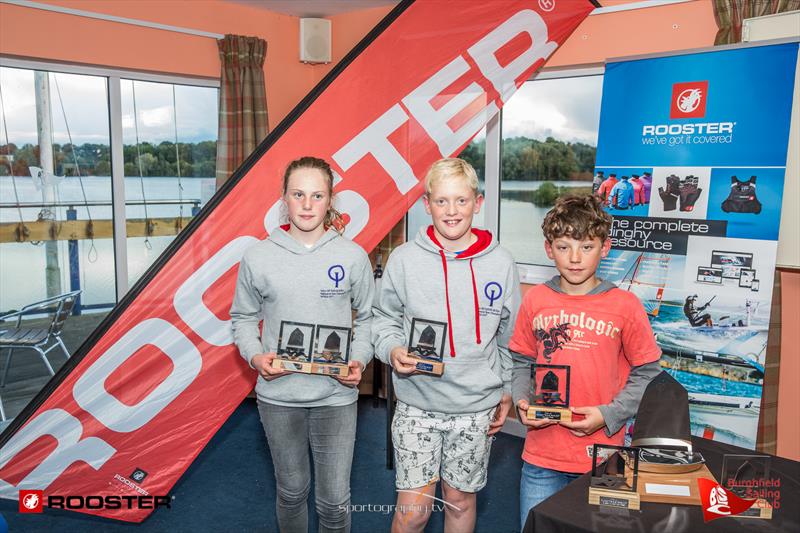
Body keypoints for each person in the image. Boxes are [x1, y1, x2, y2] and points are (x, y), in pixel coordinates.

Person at [372, 158, 520, 533]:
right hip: (417, 403)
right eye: (441, 202)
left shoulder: (501, 262)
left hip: (475, 408)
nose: (451, 211)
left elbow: (508, 337)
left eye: (461, 200)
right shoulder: (404, 259)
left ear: (478, 202)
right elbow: (383, 319)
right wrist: (391, 350)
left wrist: (505, 389)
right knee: (414, 512)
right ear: (427, 205)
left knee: (458, 501)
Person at [230, 156, 375, 533]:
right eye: (298, 194)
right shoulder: (258, 256)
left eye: (317, 195)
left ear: (330, 201)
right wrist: (255, 356)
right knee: (292, 492)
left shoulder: (352, 256)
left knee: (334, 503)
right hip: (279, 396)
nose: (307, 204)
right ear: (284, 199)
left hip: (335, 395)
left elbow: (370, 318)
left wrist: (358, 360)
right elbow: (243, 318)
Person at [509, 195, 662, 529]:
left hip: (606, 455)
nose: (575, 259)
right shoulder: (535, 299)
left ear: (604, 248)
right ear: (549, 249)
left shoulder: (625, 305)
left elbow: (648, 372)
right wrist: (522, 400)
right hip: (542, 455)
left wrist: (609, 414)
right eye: (564, 247)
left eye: (586, 247)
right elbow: (521, 359)